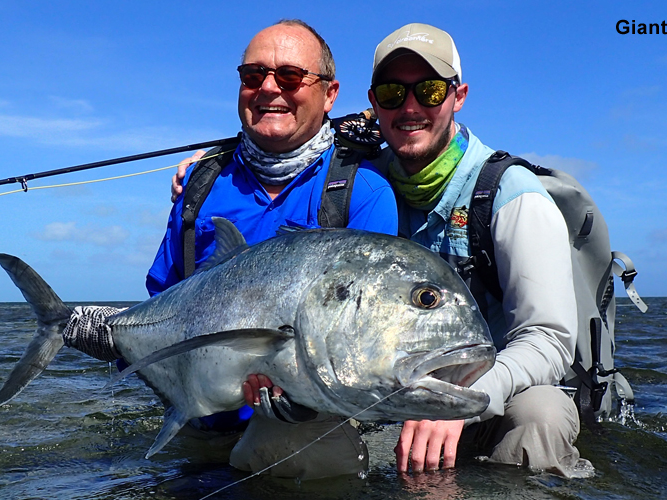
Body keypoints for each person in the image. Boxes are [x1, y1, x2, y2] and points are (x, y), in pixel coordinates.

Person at [177, 23, 590, 478]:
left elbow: (550, 341)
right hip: (386, 391)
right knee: (283, 442)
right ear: (374, 104)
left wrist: (462, 406)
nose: (410, 107)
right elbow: (286, 140)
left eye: (430, 91)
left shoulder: (513, 195)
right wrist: (212, 166)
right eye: (393, 93)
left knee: (541, 419)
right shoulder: (362, 176)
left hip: (492, 390)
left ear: (459, 95)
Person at [71, 19, 397, 480]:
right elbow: (161, 303)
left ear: (329, 94)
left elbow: (364, 345)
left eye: (289, 77)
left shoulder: (363, 193)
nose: (268, 89)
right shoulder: (200, 186)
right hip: (198, 421)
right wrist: (109, 334)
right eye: (252, 76)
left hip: (305, 433)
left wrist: (296, 401)